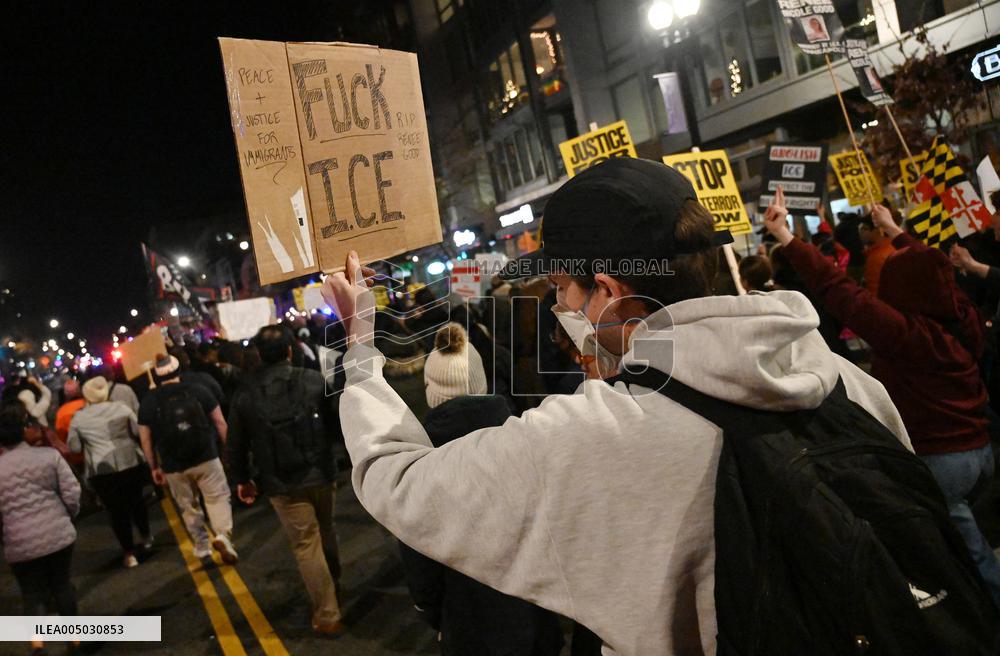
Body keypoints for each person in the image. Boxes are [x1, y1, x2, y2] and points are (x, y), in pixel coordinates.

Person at [321, 158, 910, 654]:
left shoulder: (593, 435)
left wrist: (359, 345)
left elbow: (398, 482)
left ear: (606, 291)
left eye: (560, 289)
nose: (557, 306)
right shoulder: (841, 377)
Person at [764, 191, 1000, 609]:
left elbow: (839, 291)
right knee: (972, 540)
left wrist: (785, 234)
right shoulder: (961, 318)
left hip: (941, 459)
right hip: (979, 452)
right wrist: (896, 231)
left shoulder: (908, 336)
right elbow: (934, 266)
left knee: (964, 552)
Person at [400, 323, 564, 656]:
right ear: (480, 383)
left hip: (468, 625)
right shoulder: (530, 441)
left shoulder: (422, 464)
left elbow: (420, 564)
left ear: (431, 391)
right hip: (537, 617)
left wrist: (436, 615)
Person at [227, 325, 344, 635]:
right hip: (320, 470)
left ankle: (328, 613)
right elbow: (335, 423)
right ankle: (333, 580)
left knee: (306, 544)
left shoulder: (245, 395)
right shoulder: (313, 380)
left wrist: (241, 479)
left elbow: (236, 443)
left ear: (258, 355)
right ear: (290, 350)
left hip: (282, 482)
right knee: (326, 527)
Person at [138, 354, 237, 563]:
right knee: (217, 497)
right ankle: (222, 534)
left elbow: (145, 439)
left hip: (174, 464)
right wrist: (229, 449)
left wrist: (153, 467)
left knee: (188, 506)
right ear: (178, 371)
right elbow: (220, 423)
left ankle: (202, 547)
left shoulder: (148, 401)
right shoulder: (198, 391)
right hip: (206, 456)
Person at [0, 403, 81, 655]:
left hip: (19, 542)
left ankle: (38, 644)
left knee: (31, 593)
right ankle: (74, 641)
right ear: (23, 432)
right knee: (62, 585)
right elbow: (72, 492)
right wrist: (68, 515)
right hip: (57, 534)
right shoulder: (49, 456)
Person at [68, 376, 152, 568]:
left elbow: (73, 447)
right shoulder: (121, 408)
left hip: (102, 469)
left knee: (116, 511)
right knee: (137, 502)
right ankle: (146, 537)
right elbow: (138, 431)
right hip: (129, 461)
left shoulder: (79, 418)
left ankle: (129, 552)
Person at [858, 211, 897, 295]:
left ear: (877, 230)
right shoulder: (891, 246)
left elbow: (875, 290)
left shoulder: (876, 258)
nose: (860, 233)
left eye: (865, 229)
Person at [54, 378, 86, 468]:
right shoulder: (89, 404)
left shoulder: (62, 412)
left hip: (76, 458)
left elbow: (61, 437)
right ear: (80, 391)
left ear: (65, 394)